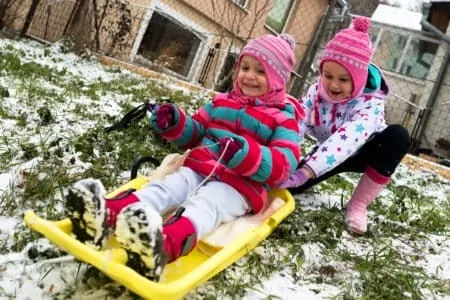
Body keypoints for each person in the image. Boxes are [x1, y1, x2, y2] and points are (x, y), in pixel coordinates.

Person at [65, 34, 304, 281]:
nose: (249, 76)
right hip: (199, 168)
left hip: (239, 186)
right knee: (167, 188)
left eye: (260, 72)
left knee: (207, 204)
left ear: (277, 80)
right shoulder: (220, 103)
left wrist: (246, 155)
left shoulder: (283, 119)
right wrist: (175, 123)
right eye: (245, 67)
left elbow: (284, 164)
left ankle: (163, 245)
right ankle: (108, 213)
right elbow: (196, 132)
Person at [279, 16, 410, 235]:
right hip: (329, 149)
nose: (333, 84)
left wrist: (307, 171)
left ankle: (358, 205)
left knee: (398, 136)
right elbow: (297, 122)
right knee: (291, 186)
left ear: (358, 80)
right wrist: (286, 159)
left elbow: (347, 138)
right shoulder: (316, 92)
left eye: (343, 79)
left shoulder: (370, 104)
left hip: (367, 151)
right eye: (327, 75)